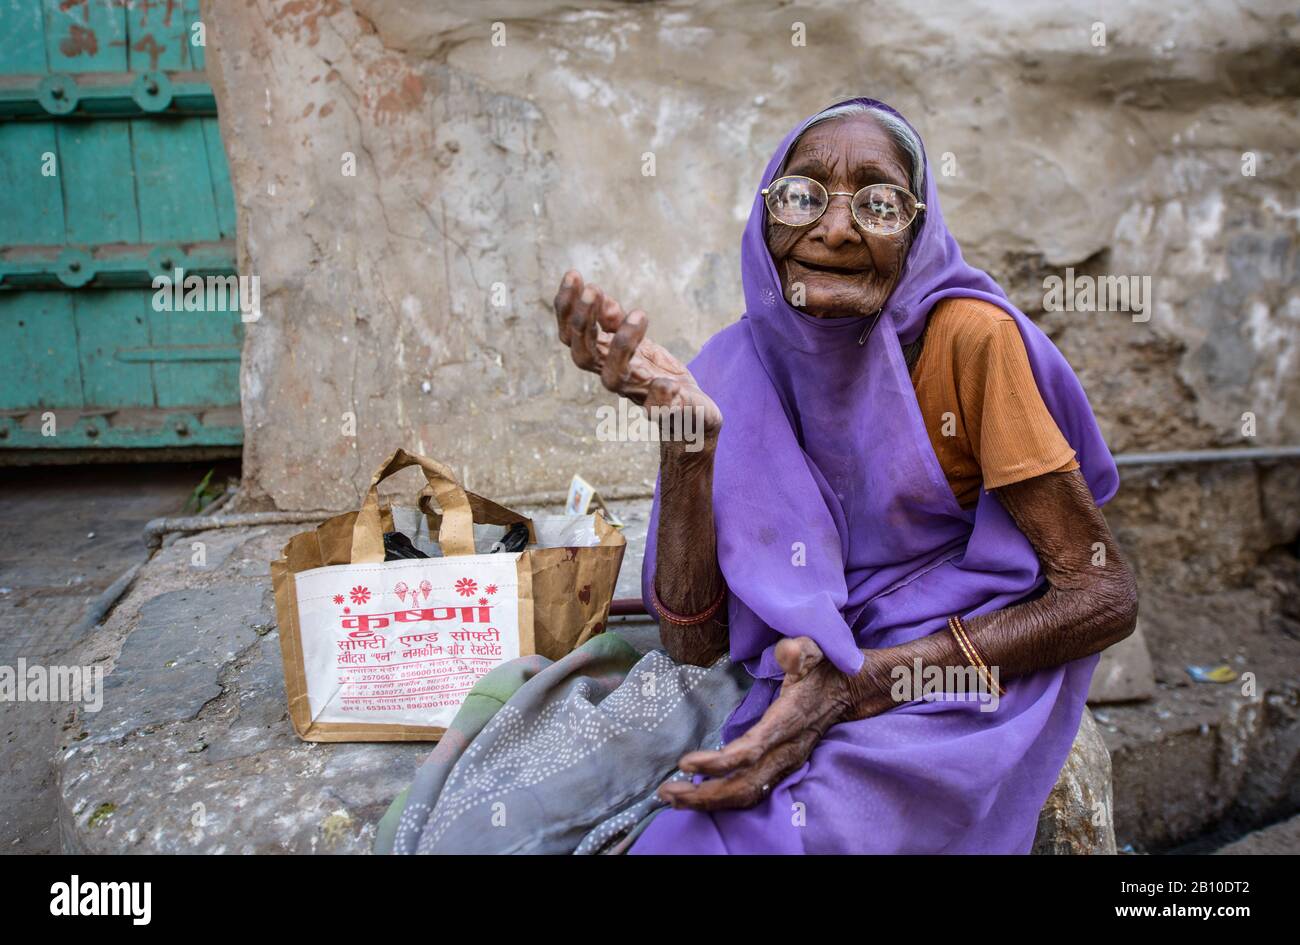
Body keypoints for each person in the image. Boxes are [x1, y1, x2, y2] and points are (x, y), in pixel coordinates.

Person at [551, 98, 1138, 853]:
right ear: (766, 223)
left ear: (917, 231)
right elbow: (695, 647)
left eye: (879, 203)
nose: (834, 229)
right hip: (799, 665)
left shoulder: (969, 341)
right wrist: (688, 451)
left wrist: (862, 682)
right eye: (801, 196)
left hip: (952, 664)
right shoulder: (734, 367)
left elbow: (1102, 592)